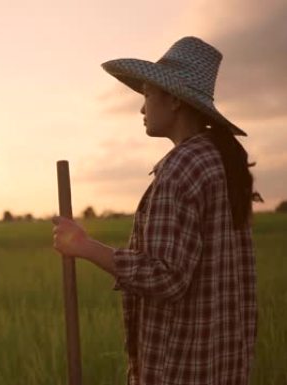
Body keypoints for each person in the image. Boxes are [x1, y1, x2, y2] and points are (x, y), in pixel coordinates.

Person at [52, 37, 258, 384]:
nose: (142, 108)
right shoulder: (220, 159)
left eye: (147, 95)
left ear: (175, 100)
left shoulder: (182, 167)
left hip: (181, 367)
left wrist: (85, 247)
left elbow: (167, 276)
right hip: (223, 364)